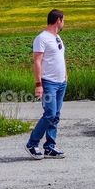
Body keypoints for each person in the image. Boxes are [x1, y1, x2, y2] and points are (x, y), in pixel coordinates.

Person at [25, 9, 67, 159]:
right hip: (48, 83)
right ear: (58, 20)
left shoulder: (57, 38)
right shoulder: (41, 38)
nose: (64, 23)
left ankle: (50, 147)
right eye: (63, 20)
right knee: (49, 114)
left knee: (56, 115)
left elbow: (60, 58)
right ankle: (32, 143)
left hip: (61, 83)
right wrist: (38, 84)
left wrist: (65, 76)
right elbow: (37, 61)